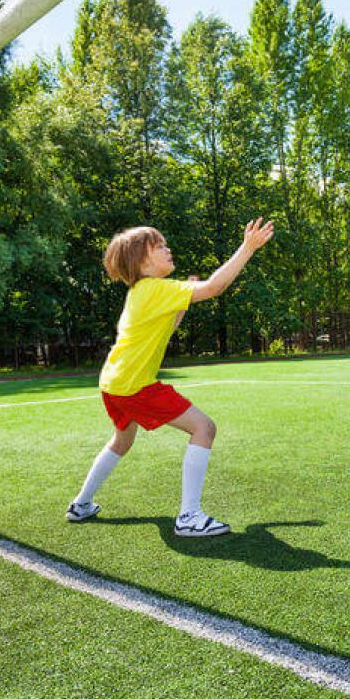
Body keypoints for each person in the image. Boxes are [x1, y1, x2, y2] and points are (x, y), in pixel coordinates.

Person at [66, 218, 275, 537]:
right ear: (142, 259)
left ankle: (81, 504)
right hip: (135, 385)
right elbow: (215, 287)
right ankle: (189, 516)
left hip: (113, 383)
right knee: (204, 428)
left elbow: (169, 328)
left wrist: (182, 305)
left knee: (121, 442)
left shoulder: (143, 292)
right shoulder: (154, 288)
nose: (168, 248)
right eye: (160, 246)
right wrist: (248, 247)